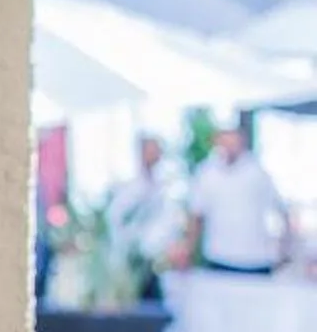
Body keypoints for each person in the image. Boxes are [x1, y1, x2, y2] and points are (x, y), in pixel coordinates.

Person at [186, 122, 291, 276]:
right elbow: (196, 215)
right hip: (218, 258)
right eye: (225, 138)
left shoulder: (258, 172)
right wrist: (188, 250)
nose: (230, 144)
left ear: (242, 140)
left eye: (234, 139)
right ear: (216, 140)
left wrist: (284, 249)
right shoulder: (206, 172)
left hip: (257, 260)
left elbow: (281, 211)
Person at [108, 134, 180, 299]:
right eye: (151, 150)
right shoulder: (128, 185)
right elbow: (118, 219)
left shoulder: (163, 186)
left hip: (153, 262)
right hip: (129, 261)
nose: (156, 155)